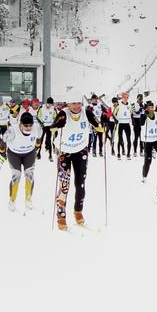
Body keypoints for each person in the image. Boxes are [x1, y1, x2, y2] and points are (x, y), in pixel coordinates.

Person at [52, 92, 102, 230]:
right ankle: (61, 216)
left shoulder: (86, 112)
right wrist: (58, 125)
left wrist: (101, 123)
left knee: (80, 184)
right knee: (64, 185)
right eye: (73, 103)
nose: (76, 106)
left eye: (79, 103)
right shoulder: (63, 113)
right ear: (67, 103)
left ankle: (78, 211)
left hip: (80, 151)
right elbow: (52, 127)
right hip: (64, 152)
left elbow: (99, 126)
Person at [3, 111, 42, 212]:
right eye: (26, 125)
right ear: (21, 124)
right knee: (16, 175)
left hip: (29, 152)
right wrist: (2, 151)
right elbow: (3, 140)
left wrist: (37, 146)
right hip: (14, 153)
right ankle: (12, 200)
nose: (29, 128)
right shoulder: (13, 130)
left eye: (30, 125)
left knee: (29, 174)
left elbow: (38, 138)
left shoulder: (36, 128)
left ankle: (28, 199)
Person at [140, 100, 157, 182]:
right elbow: (141, 123)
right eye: (149, 107)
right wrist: (144, 115)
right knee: (148, 159)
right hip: (148, 140)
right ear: (146, 108)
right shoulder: (144, 115)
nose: (151, 109)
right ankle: (144, 175)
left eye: (152, 107)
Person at [112, 92, 133, 159]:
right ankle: (118, 153)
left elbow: (131, 113)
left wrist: (132, 120)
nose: (126, 99)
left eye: (127, 97)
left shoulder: (130, 105)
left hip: (127, 124)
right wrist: (115, 120)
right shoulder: (118, 106)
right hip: (120, 124)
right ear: (122, 98)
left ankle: (128, 154)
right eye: (125, 97)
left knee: (129, 139)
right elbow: (113, 114)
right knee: (120, 139)